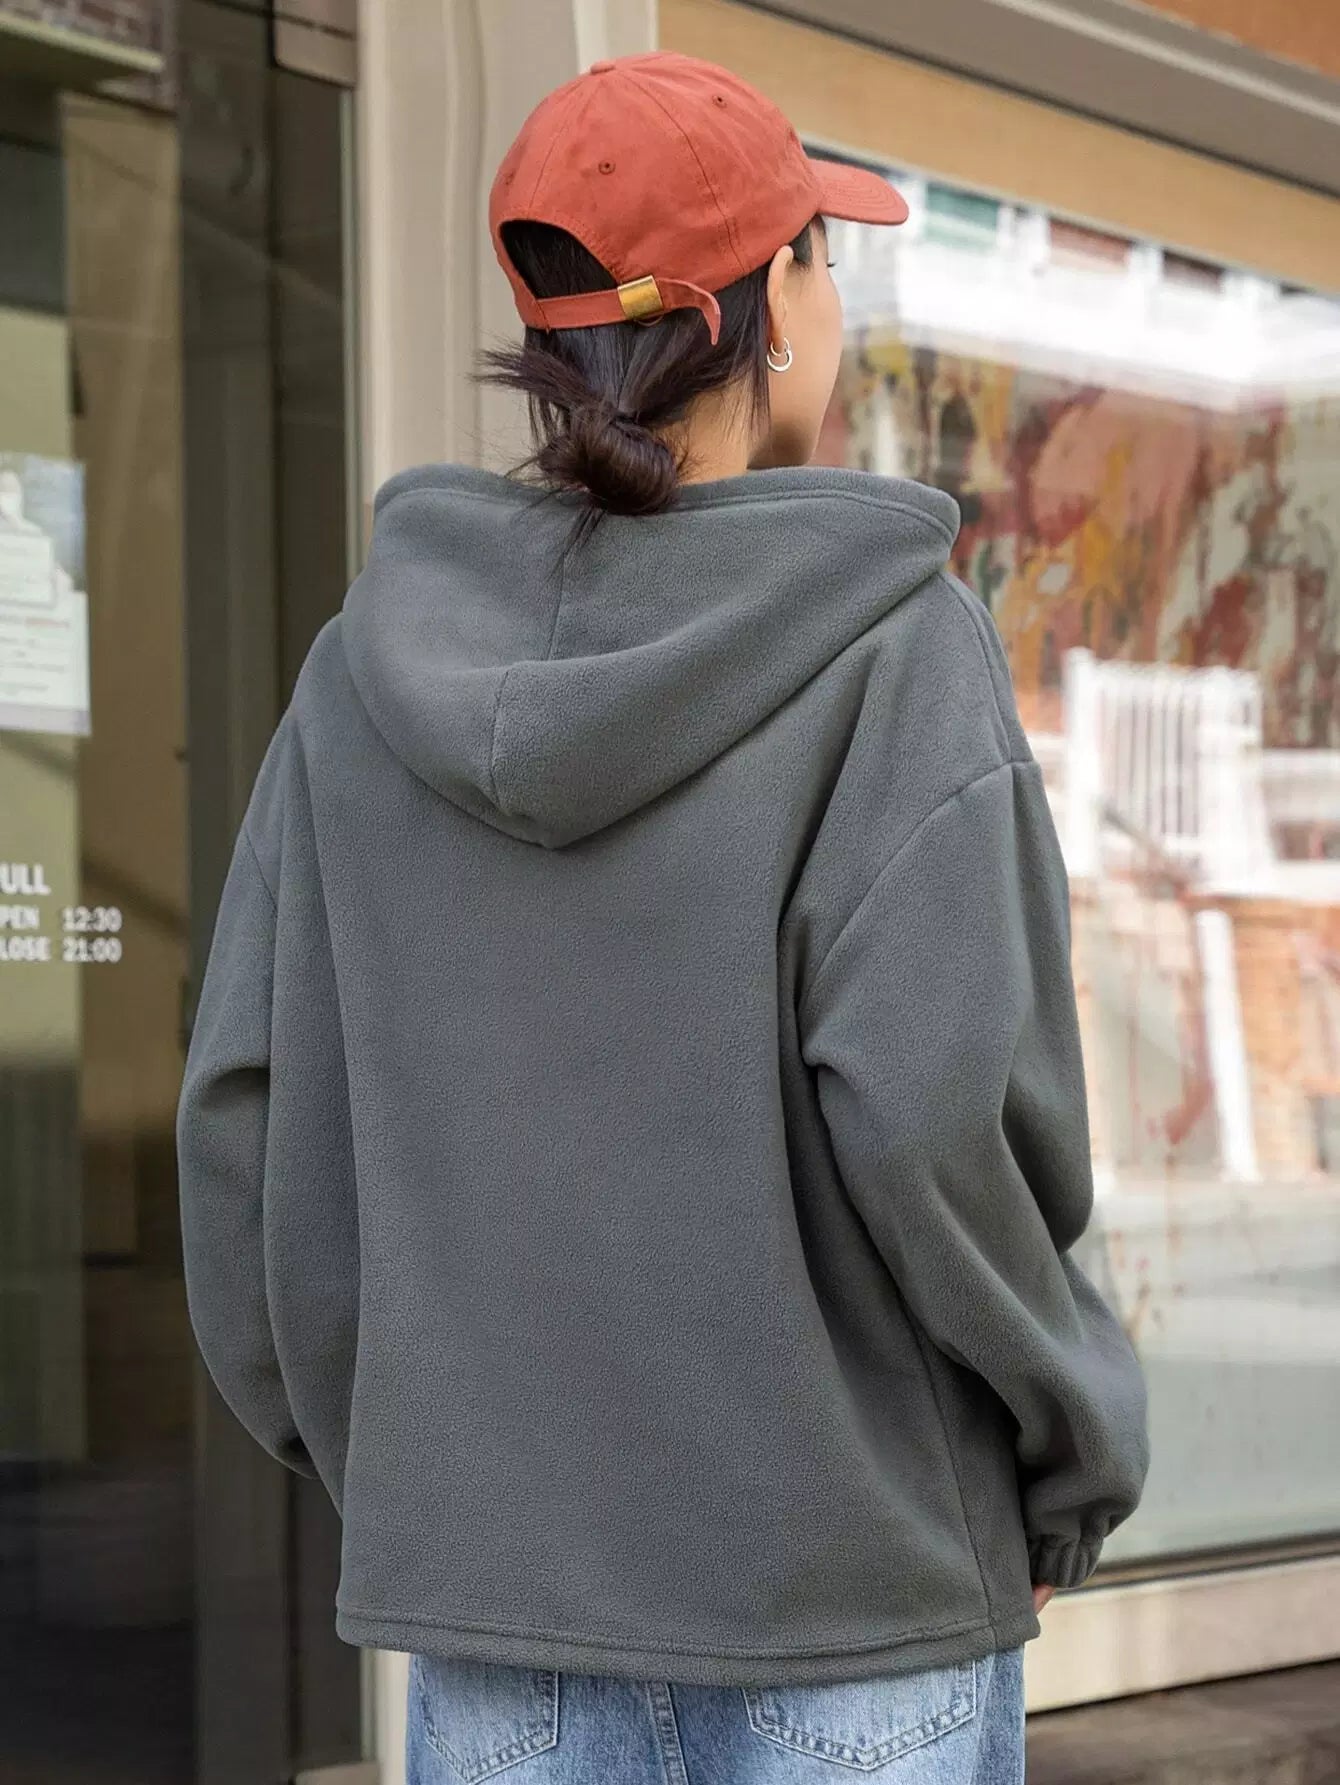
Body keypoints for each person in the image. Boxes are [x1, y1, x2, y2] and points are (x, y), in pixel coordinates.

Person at [177, 50, 1148, 1785]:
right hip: (856, 1607)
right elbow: (940, 1121)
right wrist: (1072, 1451)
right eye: (826, 261)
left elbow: (251, 1123)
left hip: (500, 1626)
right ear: (772, 307)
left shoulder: (356, 681)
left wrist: (424, 1474)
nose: (837, 306)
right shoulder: (894, 653)